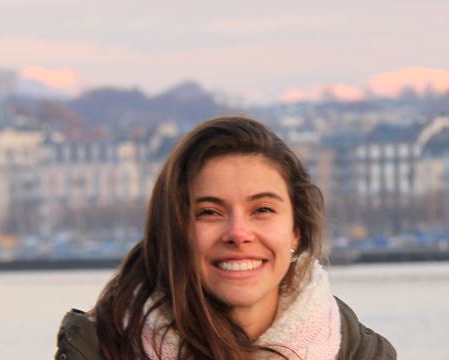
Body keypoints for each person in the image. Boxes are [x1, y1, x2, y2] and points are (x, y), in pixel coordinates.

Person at [55, 116, 396, 360]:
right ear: (174, 232)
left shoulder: (360, 353)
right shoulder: (99, 349)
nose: (238, 233)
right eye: (210, 212)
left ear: (297, 231)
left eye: (262, 209)